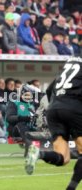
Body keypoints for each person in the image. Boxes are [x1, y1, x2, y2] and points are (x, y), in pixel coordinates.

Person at [25, 57, 82, 190]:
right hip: (74, 109)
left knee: (64, 158)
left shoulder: (65, 72)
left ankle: (39, 154)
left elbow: (49, 91)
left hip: (54, 110)